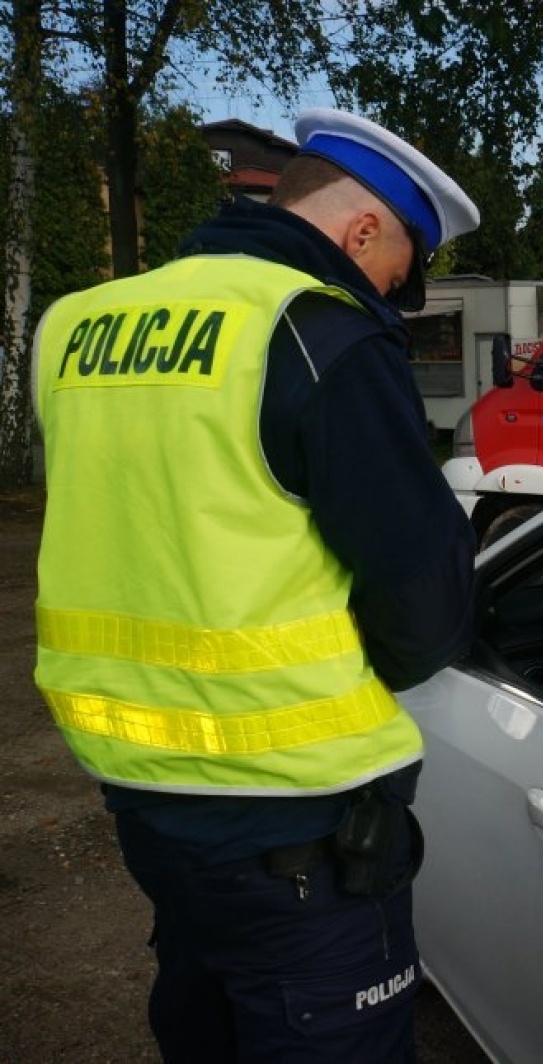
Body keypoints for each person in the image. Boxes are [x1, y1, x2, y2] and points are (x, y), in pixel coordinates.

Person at [31, 108, 479, 1063]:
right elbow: (421, 604)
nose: (392, 297)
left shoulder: (74, 327)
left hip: (142, 796)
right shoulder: (320, 332)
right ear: (361, 232)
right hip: (298, 823)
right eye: (396, 275)